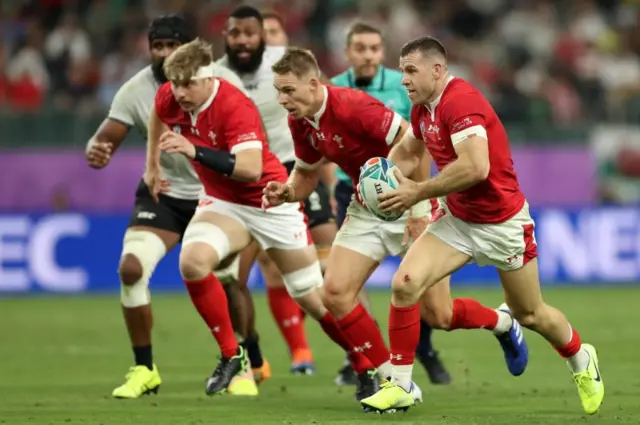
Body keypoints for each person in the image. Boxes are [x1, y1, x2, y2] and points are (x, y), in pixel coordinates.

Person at [360, 36, 603, 415]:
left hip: (501, 222)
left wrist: (417, 192)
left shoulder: (461, 102)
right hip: (457, 219)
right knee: (404, 285)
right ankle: (401, 384)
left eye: (411, 70)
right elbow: (409, 150)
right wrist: (381, 177)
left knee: (532, 314)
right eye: (402, 70)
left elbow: (476, 167)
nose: (404, 79)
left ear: (437, 70)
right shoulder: (423, 109)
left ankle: (580, 357)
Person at [148, 38, 379, 401]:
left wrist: (194, 150)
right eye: (175, 84)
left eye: (188, 84)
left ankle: (364, 366)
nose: (180, 92)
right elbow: (158, 115)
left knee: (314, 301)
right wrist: (151, 165)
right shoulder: (171, 94)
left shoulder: (233, 106)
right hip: (223, 203)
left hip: (269, 202)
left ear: (208, 78)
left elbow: (250, 168)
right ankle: (231, 355)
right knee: (192, 263)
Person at [84, 13, 262, 398]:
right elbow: (108, 135)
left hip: (219, 197)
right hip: (164, 193)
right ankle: (144, 369)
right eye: (157, 45)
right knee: (130, 268)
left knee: (231, 280)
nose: (163, 53)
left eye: (171, 45)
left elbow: (247, 143)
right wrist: (97, 150)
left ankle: (241, 361)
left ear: (189, 49)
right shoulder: (137, 89)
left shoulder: (223, 83)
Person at [264, 46, 444, 408]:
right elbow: (307, 173)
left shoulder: (352, 106)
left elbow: (414, 143)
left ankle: (502, 324)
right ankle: (393, 380)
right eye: (278, 91)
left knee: (439, 314)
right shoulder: (300, 121)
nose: (282, 99)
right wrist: (286, 191)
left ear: (313, 84)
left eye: (289, 91)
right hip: (366, 208)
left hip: (410, 202)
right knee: (334, 293)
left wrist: (418, 206)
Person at [217, 5, 338, 375]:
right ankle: (279, 353)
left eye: (271, 33)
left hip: (295, 166)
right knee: (255, 270)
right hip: (247, 175)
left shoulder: (294, 73)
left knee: (331, 260)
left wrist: (329, 182)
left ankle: (354, 348)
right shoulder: (219, 75)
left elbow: (323, 122)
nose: (264, 39)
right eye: (259, 32)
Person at [331, 22, 450, 386]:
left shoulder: (405, 85)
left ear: (382, 53)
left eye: (374, 48)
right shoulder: (333, 89)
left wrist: (419, 201)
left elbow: (420, 145)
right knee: (345, 285)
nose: (367, 55)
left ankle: (423, 349)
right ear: (348, 52)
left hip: (407, 192)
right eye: (360, 48)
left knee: (427, 295)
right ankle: (368, 359)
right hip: (352, 194)